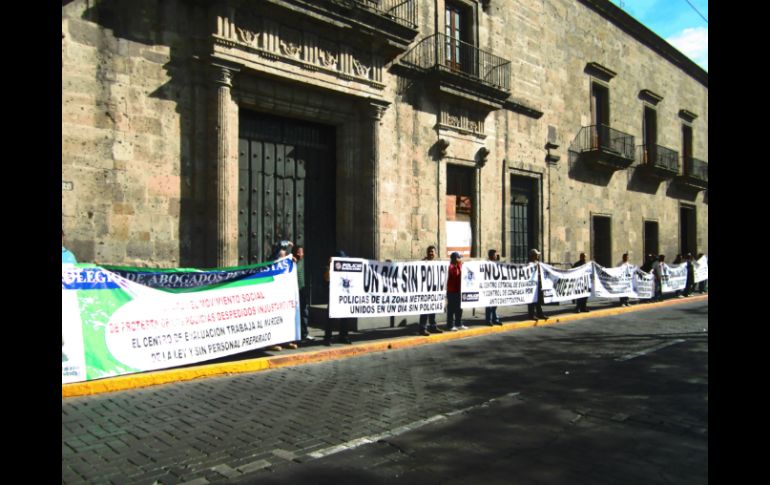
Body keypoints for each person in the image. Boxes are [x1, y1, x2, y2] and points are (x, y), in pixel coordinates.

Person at [324, 250, 354, 345]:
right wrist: (330, 265)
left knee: (345, 316)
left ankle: (344, 336)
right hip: (333, 295)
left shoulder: (346, 269)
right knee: (330, 317)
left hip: (344, 295)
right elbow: (326, 278)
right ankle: (328, 338)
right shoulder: (329, 267)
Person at [418, 246, 443, 336]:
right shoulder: (422, 263)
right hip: (425, 291)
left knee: (433, 309)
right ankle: (422, 328)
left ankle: (433, 327)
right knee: (425, 310)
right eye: (429, 251)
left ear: (435, 253)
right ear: (427, 252)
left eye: (432, 252)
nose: (431, 253)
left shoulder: (437, 264)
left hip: (434, 290)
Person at [293, 245, 315, 344]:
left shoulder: (304, 262)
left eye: (301, 252)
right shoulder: (291, 262)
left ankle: (304, 334)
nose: (300, 254)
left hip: (303, 291)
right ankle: (295, 335)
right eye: (298, 252)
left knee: (304, 312)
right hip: (293, 292)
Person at [446, 252, 467, 331]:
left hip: (459, 291)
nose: (460, 259)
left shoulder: (459, 266)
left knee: (459, 309)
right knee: (451, 309)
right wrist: (459, 265)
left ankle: (458, 323)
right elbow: (455, 275)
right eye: (459, 258)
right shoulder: (450, 267)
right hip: (452, 291)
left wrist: (460, 265)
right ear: (455, 259)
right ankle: (450, 325)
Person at [527, 249, 548, 321]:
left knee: (538, 300)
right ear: (533, 255)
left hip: (538, 283)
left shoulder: (538, 263)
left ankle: (540, 314)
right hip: (531, 284)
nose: (537, 256)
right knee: (531, 300)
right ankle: (531, 315)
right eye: (536, 255)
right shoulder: (529, 264)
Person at [485, 249, 502, 326]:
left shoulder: (497, 263)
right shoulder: (487, 263)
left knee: (495, 304)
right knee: (489, 305)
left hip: (496, 286)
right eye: (495, 255)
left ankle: (495, 319)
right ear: (491, 255)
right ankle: (489, 320)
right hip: (489, 287)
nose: (496, 256)